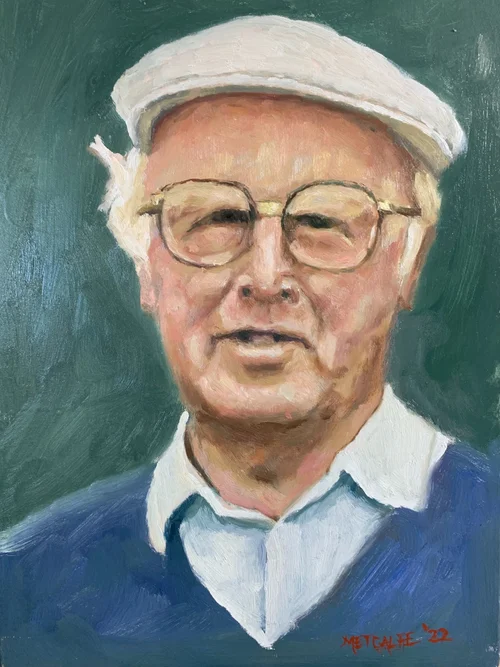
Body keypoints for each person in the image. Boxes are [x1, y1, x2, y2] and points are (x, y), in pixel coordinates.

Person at [0, 15, 498, 667]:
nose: (265, 277)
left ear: (408, 260)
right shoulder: (25, 585)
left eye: (322, 221)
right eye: (214, 217)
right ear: (147, 262)